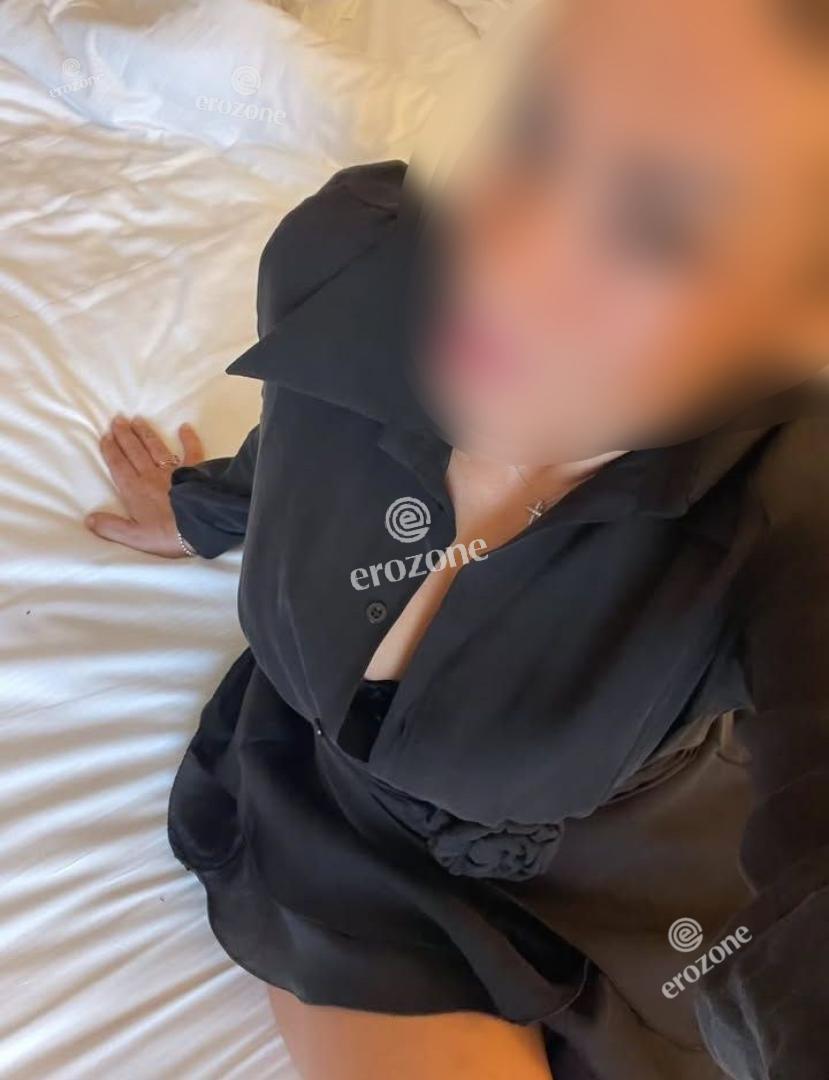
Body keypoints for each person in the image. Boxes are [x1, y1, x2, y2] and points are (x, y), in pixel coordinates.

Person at [84, 0, 829, 1076]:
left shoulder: (793, 508)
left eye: (662, 226)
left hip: (629, 877)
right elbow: (303, 431)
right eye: (538, 129)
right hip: (340, 840)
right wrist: (205, 508)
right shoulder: (351, 252)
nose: (511, 257)